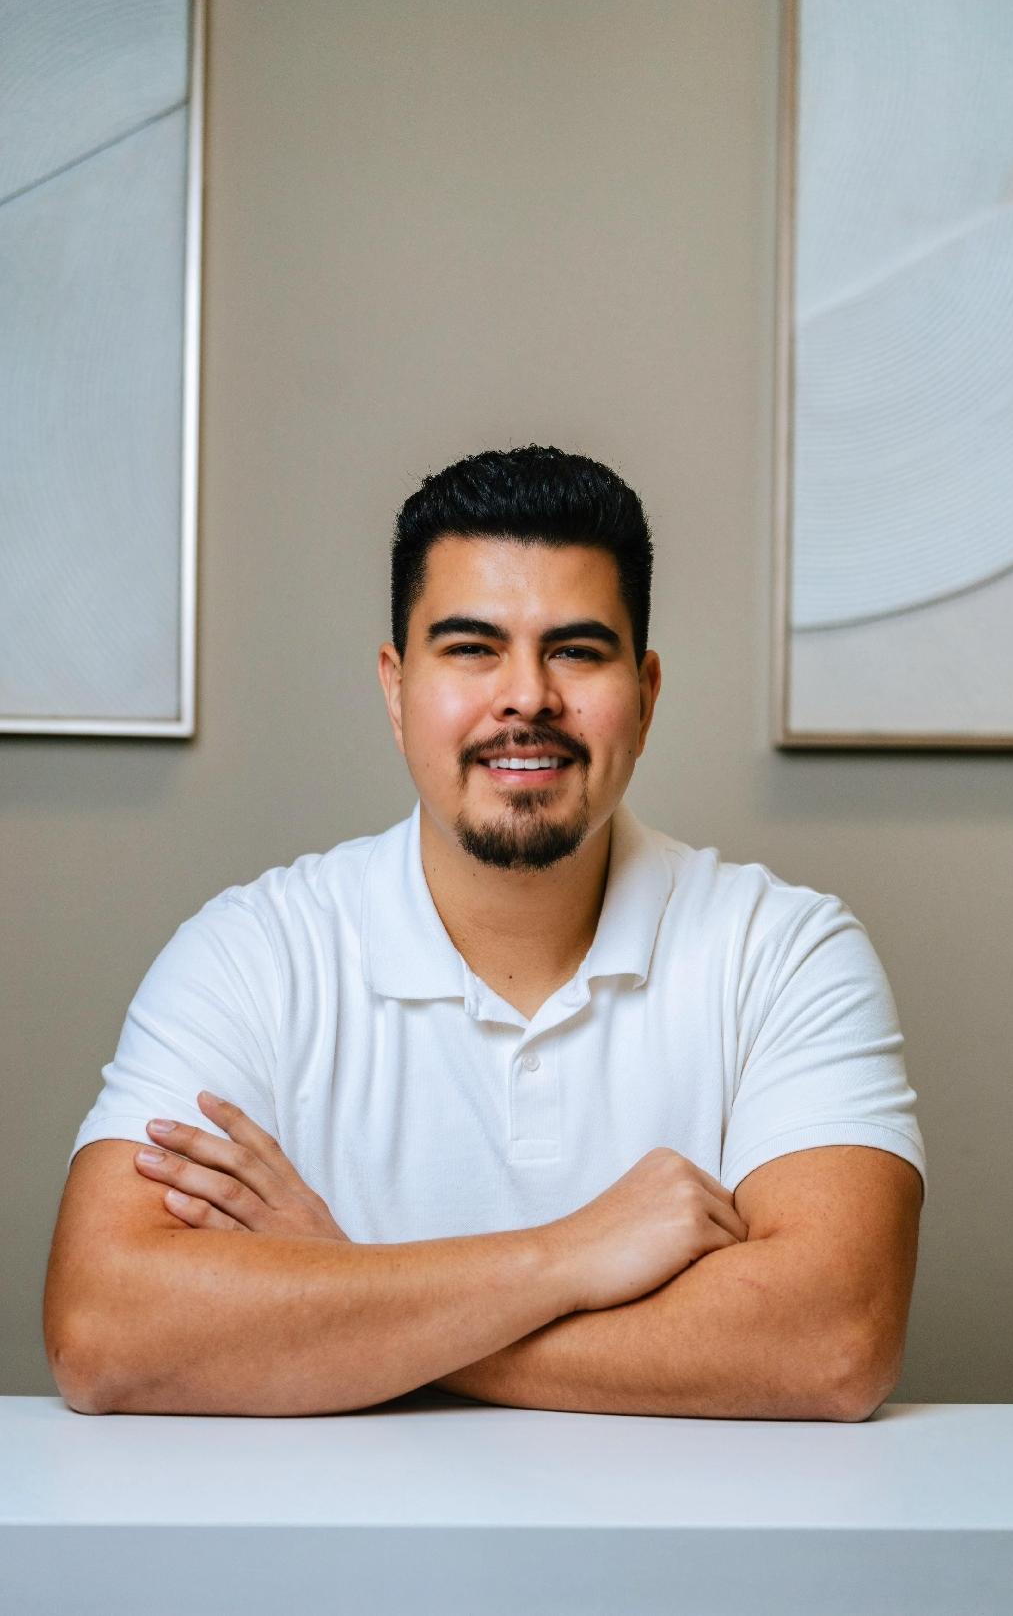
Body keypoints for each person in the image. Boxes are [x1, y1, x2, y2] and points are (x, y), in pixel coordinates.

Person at [44, 445, 925, 1421]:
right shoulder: (253, 955)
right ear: (395, 686)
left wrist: (344, 1292)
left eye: (578, 650)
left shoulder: (785, 951)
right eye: (471, 647)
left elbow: (831, 1342)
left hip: (680, 1566)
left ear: (648, 691)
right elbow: (103, 1328)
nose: (527, 698)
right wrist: (569, 1254)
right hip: (333, 1564)